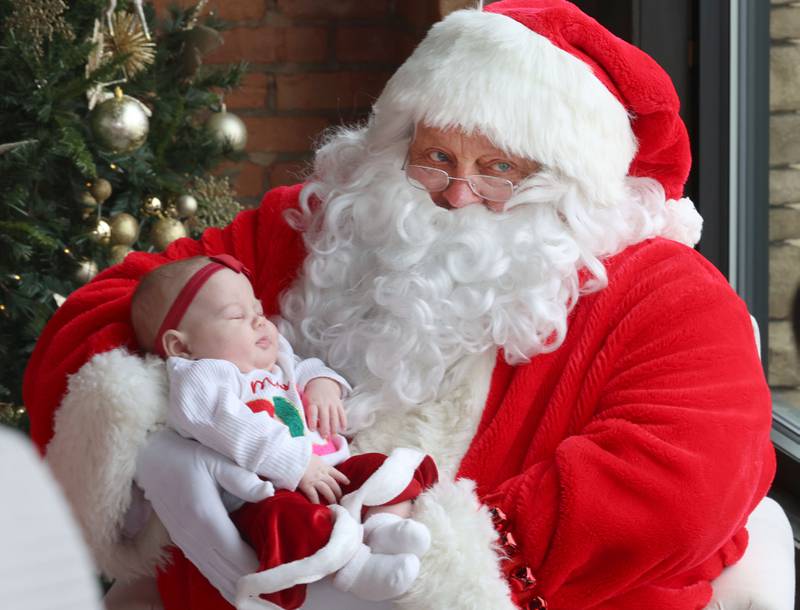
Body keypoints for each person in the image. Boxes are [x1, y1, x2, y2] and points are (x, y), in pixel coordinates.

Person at [23, 1, 775, 609]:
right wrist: (180, 421)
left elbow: (687, 475)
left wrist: (439, 560)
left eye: (499, 169)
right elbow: (113, 306)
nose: (457, 194)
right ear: (398, 142)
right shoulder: (322, 221)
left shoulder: (665, 292)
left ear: (563, 181)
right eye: (437, 157)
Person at [128, 253, 437, 608]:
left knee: (380, 467)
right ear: (182, 346)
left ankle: (382, 529)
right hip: (266, 494)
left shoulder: (275, 360)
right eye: (236, 315)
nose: (259, 321)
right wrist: (296, 464)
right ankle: (355, 569)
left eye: (257, 309)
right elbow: (231, 425)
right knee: (289, 522)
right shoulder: (203, 379)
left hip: (328, 471)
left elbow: (305, 368)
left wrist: (323, 384)